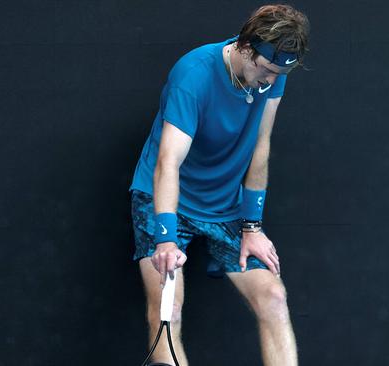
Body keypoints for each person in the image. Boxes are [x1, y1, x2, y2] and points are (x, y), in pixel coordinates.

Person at [128, 4, 310, 366]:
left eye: (279, 74)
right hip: (164, 201)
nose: (271, 81)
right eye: (267, 70)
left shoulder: (274, 73)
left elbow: (260, 147)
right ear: (245, 47)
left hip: (224, 207)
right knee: (169, 311)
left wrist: (252, 225)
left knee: (273, 297)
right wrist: (165, 236)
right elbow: (169, 162)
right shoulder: (193, 74)